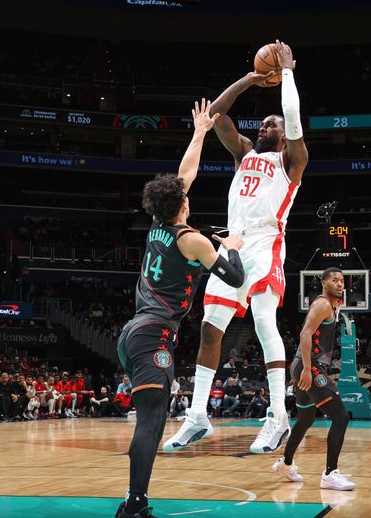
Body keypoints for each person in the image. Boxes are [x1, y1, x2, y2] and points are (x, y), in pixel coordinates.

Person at [165, 40, 308, 455]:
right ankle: (196, 417)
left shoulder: (291, 162)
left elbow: (294, 117)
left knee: (264, 320)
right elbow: (216, 115)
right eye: (262, 124)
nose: (265, 128)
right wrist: (251, 78)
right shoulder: (244, 154)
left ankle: (278, 415)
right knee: (211, 327)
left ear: (284, 137)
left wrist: (287, 72)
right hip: (233, 245)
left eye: (272, 126)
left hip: (266, 244)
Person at [115, 99, 245, 518]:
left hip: (135, 331)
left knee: (151, 419)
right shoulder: (193, 239)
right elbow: (234, 278)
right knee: (150, 422)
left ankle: (137, 499)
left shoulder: (157, 223)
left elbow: (184, 175)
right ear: (181, 205)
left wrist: (200, 132)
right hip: (153, 333)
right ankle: (134, 504)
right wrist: (233, 248)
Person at [273, 268, 355, 490]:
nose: (340, 284)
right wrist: (308, 369)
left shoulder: (333, 304)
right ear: (323, 283)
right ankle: (330, 473)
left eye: (342, 281)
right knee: (340, 416)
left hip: (303, 365)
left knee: (306, 418)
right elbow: (305, 334)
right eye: (334, 280)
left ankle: (286, 463)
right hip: (309, 366)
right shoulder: (322, 305)